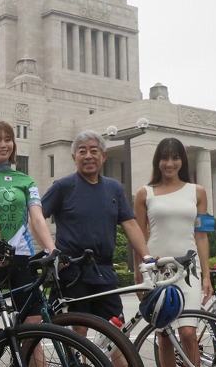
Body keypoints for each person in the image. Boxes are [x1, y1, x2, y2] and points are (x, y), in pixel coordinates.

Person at [41, 130, 151, 327]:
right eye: (82, 151)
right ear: (74, 157)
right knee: (79, 329)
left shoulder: (114, 188)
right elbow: (37, 217)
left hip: (104, 270)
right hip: (72, 271)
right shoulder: (63, 187)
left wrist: (147, 256)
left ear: (103, 156)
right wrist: (51, 251)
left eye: (94, 151)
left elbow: (130, 224)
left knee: (116, 329)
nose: (88, 156)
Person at [0, 120, 55, 347]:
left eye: (8, 139)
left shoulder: (26, 180)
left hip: (21, 254)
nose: (3, 144)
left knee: (33, 326)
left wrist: (51, 249)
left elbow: (37, 218)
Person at [134, 137, 214, 367]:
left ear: (183, 161)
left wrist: (207, 275)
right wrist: (139, 273)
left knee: (188, 332)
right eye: (164, 158)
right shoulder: (144, 193)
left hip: (188, 270)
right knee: (164, 334)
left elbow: (202, 236)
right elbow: (139, 236)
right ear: (157, 161)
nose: (169, 163)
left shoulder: (197, 192)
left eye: (175, 158)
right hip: (158, 269)